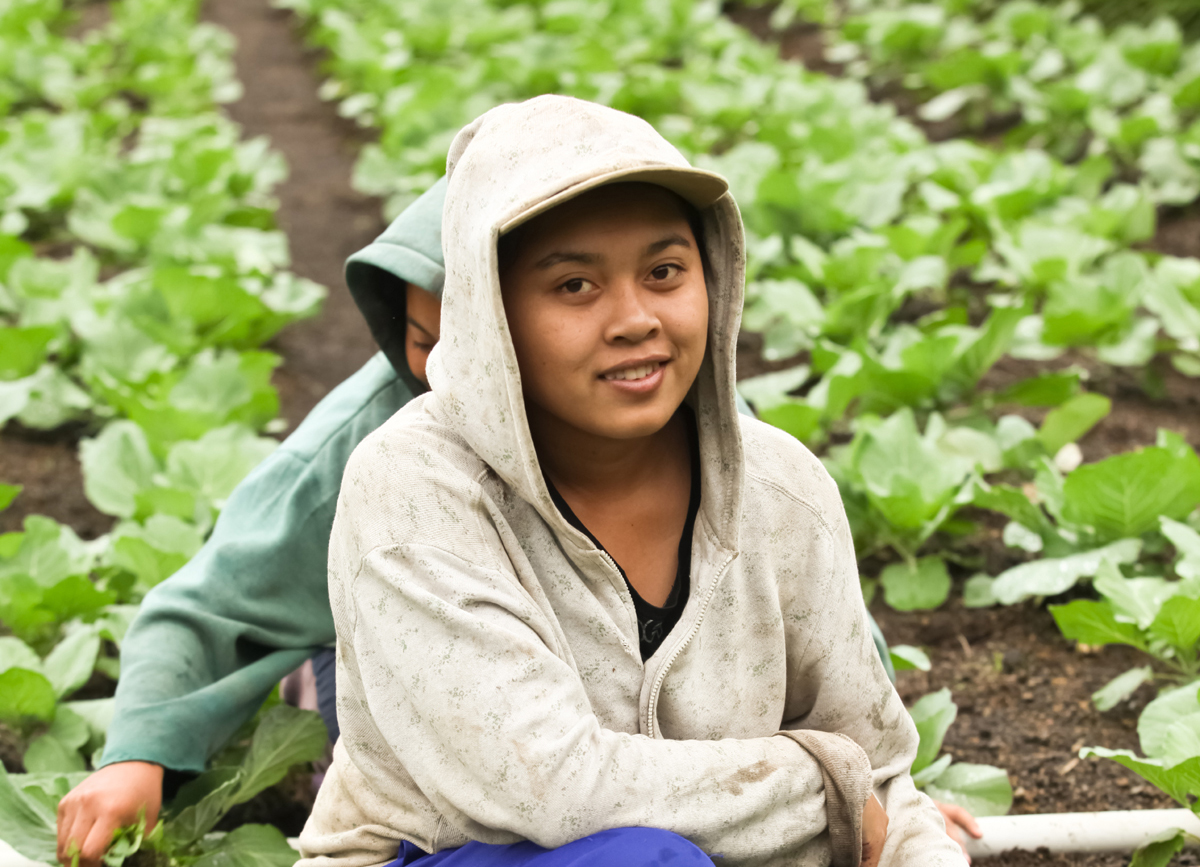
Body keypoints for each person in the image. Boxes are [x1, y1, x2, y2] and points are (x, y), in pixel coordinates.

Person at [56, 147, 981, 867]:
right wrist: (142, 749)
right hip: (478, 787)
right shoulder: (388, 454)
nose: (441, 369)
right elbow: (216, 600)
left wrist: (890, 810)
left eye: (664, 272)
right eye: (572, 285)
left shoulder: (752, 463)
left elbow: (848, 703)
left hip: (653, 793)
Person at [296, 95, 967, 867]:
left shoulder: (783, 487)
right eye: (575, 286)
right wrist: (825, 791)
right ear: (491, 315)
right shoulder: (414, 485)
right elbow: (553, 790)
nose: (635, 318)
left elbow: (879, 771)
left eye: (664, 272)